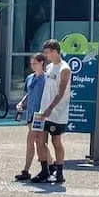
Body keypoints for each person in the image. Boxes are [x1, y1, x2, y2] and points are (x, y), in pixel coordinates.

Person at [30, 39, 71, 184]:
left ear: (55, 51)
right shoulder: (49, 67)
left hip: (57, 113)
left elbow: (60, 93)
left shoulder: (64, 69)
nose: (46, 55)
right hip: (43, 111)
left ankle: (59, 172)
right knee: (39, 139)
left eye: (48, 52)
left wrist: (50, 108)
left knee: (56, 141)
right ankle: (44, 170)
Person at [14, 53, 48, 181]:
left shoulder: (46, 79)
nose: (32, 66)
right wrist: (22, 103)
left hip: (40, 115)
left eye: (35, 63)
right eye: (31, 64)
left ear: (41, 63)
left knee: (34, 141)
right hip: (30, 113)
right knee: (38, 142)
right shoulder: (30, 78)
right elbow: (29, 93)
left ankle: (27, 170)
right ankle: (50, 164)